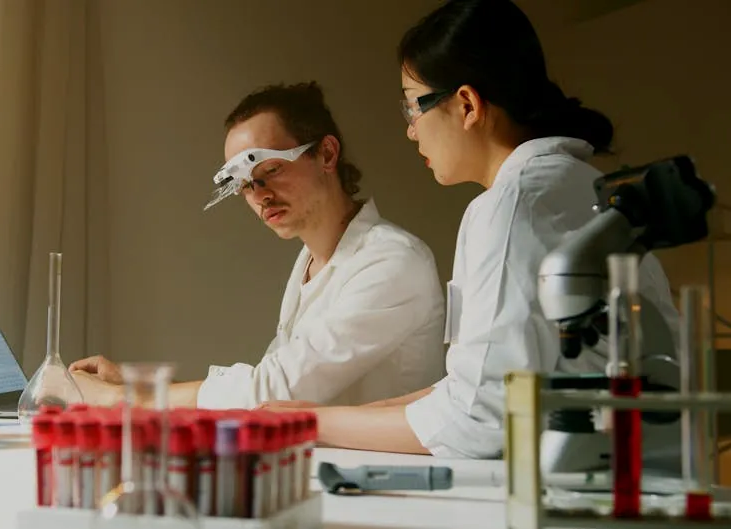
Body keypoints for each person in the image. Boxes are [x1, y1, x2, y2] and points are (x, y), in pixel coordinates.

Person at [260, 0, 680, 458]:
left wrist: (311, 421)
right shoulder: (573, 183)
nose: (411, 131)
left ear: (466, 104)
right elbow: (480, 386)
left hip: (591, 481)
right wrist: (328, 416)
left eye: (411, 107)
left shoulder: (513, 204)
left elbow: (480, 417)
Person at [69, 81, 446, 409]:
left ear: (327, 154)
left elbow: (274, 392)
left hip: (385, 481)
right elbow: (265, 386)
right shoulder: (309, 264)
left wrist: (122, 398)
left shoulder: (392, 261)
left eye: (270, 170)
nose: (260, 195)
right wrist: (138, 387)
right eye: (244, 184)